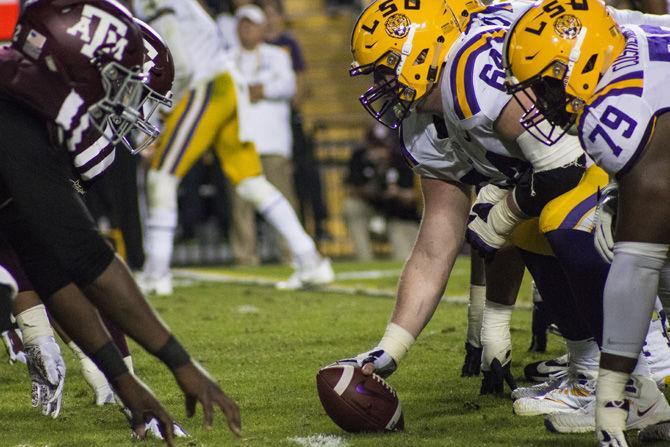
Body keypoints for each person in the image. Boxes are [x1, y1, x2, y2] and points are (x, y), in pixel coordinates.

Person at [339, 0, 670, 439]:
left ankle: (643, 375)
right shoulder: (427, 120)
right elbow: (439, 236)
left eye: (384, 69)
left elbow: (564, 165)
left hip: (643, 103)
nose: (380, 84)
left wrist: (502, 213)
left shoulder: (473, 75)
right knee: (534, 222)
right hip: (623, 129)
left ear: (421, 48)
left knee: (569, 216)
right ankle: (591, 372)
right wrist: (391, 348)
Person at [0, 0, 240, 443]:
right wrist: (182, 365)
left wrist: (129, 388)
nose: (125, 111)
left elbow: (53, 267)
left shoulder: (24, 104)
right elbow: (90, 261)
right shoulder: (15, 113)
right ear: (78, 67)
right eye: (122, 89)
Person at [504, 0, 670, 443]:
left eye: (543, 86)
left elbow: (636, 269)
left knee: (633, 248)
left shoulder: (611, 117)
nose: (536, 103)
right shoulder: (631, 38)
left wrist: (611, 393)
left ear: (579, 63)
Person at [133, 0, 334, 294]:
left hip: (205, 85)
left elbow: (181, 63)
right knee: (251, 182)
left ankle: (155, 273)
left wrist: (167, 113)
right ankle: (310, 260)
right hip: (227, 84)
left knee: (161, 178)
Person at [228, 4, 301, 265]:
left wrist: (263, 90)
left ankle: (292, 254)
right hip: (240, 141)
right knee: (241, 206)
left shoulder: (277, 54)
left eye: (250, 24)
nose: (245, 28)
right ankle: (245, 257)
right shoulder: (226, 58)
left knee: (283, 199)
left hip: (273, 142)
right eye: (241, 24)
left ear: (261, 28)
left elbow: (289, 85)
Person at [343, 124, 420, 261]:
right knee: (351, 206)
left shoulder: (401, 159)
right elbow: (350, 189)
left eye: (383, 147)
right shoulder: (359, 157)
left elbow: (415, 196)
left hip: (398, 216)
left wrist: (398, 193)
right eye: (375, 147)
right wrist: (369, 190)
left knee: (404, 259)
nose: (380, 152)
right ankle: (364, 260)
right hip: (370, 211)